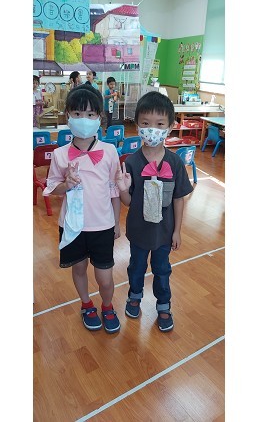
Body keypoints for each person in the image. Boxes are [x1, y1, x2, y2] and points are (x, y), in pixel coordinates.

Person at [43, 84, 122, 334]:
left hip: (102, 225)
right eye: (77, 113)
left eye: (90, 114)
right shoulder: (59, 154)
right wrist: (65, 185)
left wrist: (117, 222)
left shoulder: (109, 151)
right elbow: (52, 188)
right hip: (72, 225)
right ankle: (86, 304)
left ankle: (107, 306)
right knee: (78, 269)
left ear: (99, 117)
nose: (83, 119)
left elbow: (114, 190)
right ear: (68, 115)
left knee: (105, 277)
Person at [115, 91, 194, 332]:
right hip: (139, 231)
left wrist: (177, 231)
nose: (152, 130)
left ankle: (163, 305)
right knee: (136, 267)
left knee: (162, 270)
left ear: (170, 127)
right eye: (146, 123)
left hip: (164, 233)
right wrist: (123, 189)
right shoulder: (131, 162)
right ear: (137, 125)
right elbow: (128, 202)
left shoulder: (175, 162)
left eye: (160, 124)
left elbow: (179, 198)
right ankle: (134, 296)